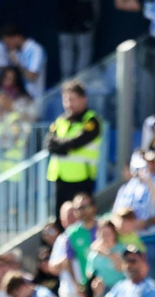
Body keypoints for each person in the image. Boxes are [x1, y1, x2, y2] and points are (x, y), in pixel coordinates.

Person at [44, 80, 101, 218]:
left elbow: (77, 142)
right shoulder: (61, 120)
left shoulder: (91, 120)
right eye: (66, 100)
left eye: (73, 99)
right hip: (61, 177)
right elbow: (49, 144)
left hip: (82, 178)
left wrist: (63, 146)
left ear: (83, 99)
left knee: (81, 218)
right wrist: (66, 147)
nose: (69, 104)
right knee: (60, 218)